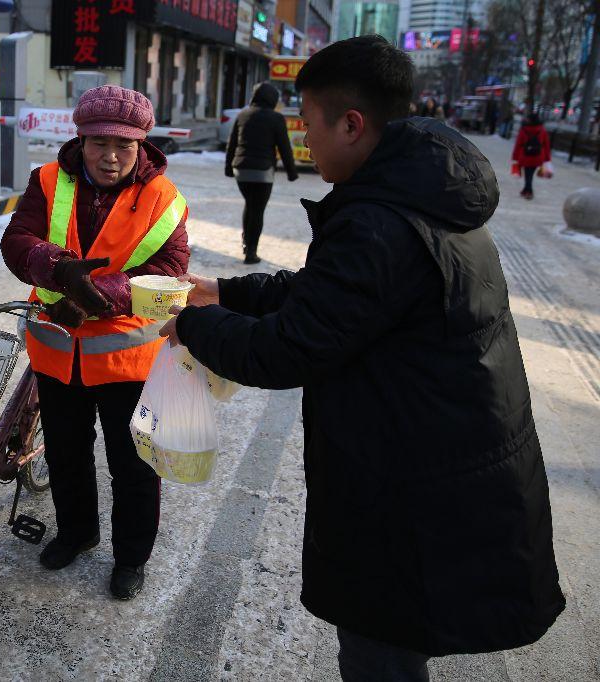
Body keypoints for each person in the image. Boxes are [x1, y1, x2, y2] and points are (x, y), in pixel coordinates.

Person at [160, 36, 563, 680]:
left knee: (382, 645)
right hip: (437, 449)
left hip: (408, 480)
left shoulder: (379, 220)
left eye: (309, 125)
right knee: (397, 637)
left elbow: (294, 347)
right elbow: (338, 297)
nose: (307, 142)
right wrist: (228, 290)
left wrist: (195, 325)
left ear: (352, 123)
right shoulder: (421, 188)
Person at [0, 85, 190, 600]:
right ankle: (77, 533)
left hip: (127, 355)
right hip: (56, 349)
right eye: (99, 143)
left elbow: (168, 270)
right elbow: (18, 241)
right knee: (65, 453)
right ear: (80, 140)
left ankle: (132, 557)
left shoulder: (164, 199)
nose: (111, 156)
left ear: (142, 145)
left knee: (133, 465)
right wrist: (59, 269)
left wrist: (91, 297)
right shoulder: (46, 181)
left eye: (123, 146)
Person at [225, 82, 299, 264]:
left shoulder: (243, 114)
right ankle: (251, 252)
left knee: (250, 205)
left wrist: (228, 168)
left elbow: (232, 143)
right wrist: (291, 172)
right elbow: (284, 147)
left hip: (241, 171)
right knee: (257, 210)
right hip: (262, 173)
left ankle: (245, 243)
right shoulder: (276, 118)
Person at [511, 112, 551, 200]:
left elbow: (518, 144)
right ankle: (525, 189)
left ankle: (529, 191)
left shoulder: (524, 129)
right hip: (538, 156)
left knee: (528, 174)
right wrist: (547, 158)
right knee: (530, 173)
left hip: (525, 155)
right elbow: (546, 144)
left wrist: (514, 157)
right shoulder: (542, 130)